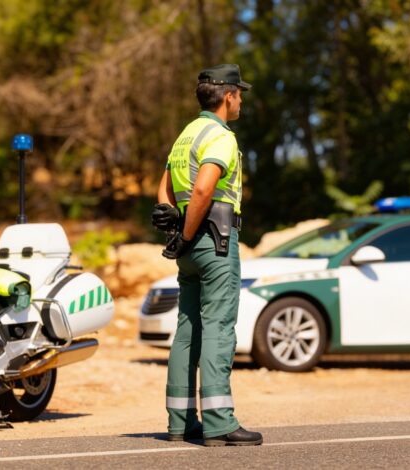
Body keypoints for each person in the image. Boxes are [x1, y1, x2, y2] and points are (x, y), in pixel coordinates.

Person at [152, 64, 262, 446]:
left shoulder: (186, 135)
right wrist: (185, 233)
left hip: (188, 248)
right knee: (218, 327)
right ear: (228, 95)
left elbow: (163, 189)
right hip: (215, 241)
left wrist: (176, 234)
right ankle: (219, 422)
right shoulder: (220, 135)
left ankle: (180, 422)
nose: (242, 99)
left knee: (188, 329)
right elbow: (203, 191)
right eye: (240, 93)